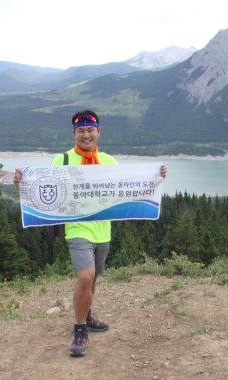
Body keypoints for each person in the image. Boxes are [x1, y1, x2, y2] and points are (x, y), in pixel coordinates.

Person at [13, 109, 167, 357]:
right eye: (81, 130)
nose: (86, 135)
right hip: (77, 228)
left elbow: (129, 186)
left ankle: (87, 313)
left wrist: (155, 177)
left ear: (98, 131)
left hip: (102, 230)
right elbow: (43, 187)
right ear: (74, 133)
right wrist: (23, 181)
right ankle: (80, 328)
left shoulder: (108, 161)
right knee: (85, 276)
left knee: (93, 279)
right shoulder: (62, 161)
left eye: (90, 130)